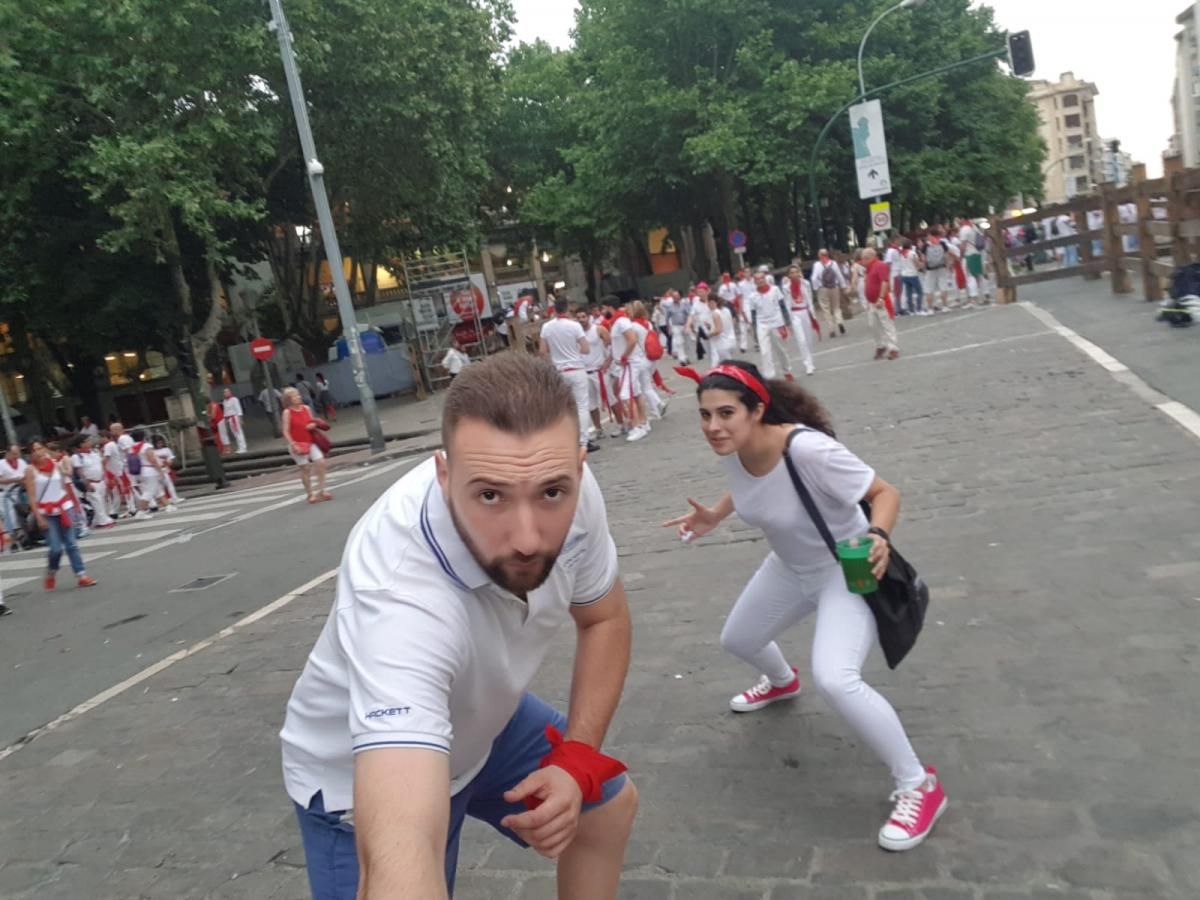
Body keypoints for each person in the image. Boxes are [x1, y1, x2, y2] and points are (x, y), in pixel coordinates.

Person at [280, 352, 637, 900]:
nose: (527, 538)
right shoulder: (398, 588)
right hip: (357, 765)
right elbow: (402, 843)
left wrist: (576, 758)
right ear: (444, 475)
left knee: (605, 805)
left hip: (483, 715)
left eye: (551, 493)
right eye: (490, 495)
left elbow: (605, 618)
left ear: (579, 467)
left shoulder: (567, 486)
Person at [664, 360, 945, 852]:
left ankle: (919, 784)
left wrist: (878, 535)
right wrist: (715, 514)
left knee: (837, 679)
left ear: (757, 409)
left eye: (725, 413)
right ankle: (781, 681)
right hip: (789, 568)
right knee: (739, 638)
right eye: (704, 415)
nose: (713, 426)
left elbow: (885, 492)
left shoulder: (808, 449)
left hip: (844, 570)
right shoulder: (734, 445)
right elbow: (749, 483)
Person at [25, 440, 97, 592]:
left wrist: (74, 505)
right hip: (46, 512)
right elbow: (32, 496)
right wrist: (38, 517)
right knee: (55, 548)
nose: (38, 452)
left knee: (71, 543)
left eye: (40, 448)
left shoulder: (55, 464)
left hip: (64, 507)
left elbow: (64, 486)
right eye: (35, 449)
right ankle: (52, 570)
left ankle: (81, 575)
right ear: (31, 453)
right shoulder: (30, 470)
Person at [540, 296, 600, 454]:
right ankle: (583, 441)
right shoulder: (574, 326)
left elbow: (542, 351)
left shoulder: (546, 327)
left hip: (559, 370)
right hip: (576, 368)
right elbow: (585, 348)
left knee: (565, 407)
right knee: (581, 405)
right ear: (567, 308)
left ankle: (569, 439)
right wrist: (574, 350)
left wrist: (554, 360)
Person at [282, 386, 331, 504]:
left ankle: (322, 489)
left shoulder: (306, 408)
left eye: (298, 395)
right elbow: (285, 430)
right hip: (297, 443)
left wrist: (313, 425)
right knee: (305, 468)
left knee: (320, 462)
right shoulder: (287, 412)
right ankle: (310, 493)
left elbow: (311, 421)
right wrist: (292, 443)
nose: (298, 397)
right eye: (294, 396)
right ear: (289, 400)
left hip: (311, 440)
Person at [611, 300, 650, 442]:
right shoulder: (619, 321)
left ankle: (637, 426)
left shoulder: (621, 321)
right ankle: (644, 422)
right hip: (626, 363)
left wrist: (624, 356)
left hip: (629, 363)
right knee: (637, 392)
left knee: (626, 394)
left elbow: (632, 340)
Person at [748, 268, 794, 381]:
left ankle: (786, 370)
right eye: (757, 279)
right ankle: (769, 377)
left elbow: (782, 306)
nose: (760, 281)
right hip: (762, 325)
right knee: (765, 352)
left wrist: (787, 322)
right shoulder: (752, 296)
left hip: (777, 322)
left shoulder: (775, 290)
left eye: (761, 278)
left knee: (781, 349)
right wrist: (754, 329)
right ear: (754, 282)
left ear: (765, 279)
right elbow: (753, 314)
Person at [576, 305, 609, 440]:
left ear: (589, 317)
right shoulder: (575, 333)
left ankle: (623, 423)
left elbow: (610, 345)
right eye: (578, 318)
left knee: (612, 399)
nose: (581, 320)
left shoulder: (599, 329)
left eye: (583, 317)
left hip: (599, 370)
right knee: (591, 404)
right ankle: (598, 428)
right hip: (584, 371)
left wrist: (608, 362)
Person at [862, 248, 900, 361]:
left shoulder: (880, 265)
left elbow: (884, 281)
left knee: (887, 324)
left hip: (881, 301)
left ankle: (893, 348)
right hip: (872, 302)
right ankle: (881, 345)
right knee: (873, 325)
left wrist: (881, 297)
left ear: (870, 257)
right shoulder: (868, 269)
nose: (862, 261)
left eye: (864, 258)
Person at [780, 264, 817, 376]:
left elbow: (809, 299)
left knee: (808, 338)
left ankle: (810, 358)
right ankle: (807, 364)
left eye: (796, 272)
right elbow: (787, 303)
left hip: (805, 312)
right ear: (789, 275)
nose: (794, 274)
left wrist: (813, 315)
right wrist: (789, 320)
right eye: (791, 273)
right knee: (801, 340)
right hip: (795, 313)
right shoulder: (786, 287)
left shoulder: (805, 284)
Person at [71, 436, 114, 529]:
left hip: (101, 480)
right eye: (87, 441)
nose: (89, 442)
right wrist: (86, 483)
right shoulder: (77, 456)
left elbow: (101, 465)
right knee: (96, 501)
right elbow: (80, 471)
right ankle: (103, 521)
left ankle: (99, 520)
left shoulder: (95, 453)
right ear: (81, 444)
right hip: (91, 482)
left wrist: (106, 478)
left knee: (103, 501)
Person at [810, 250, 848, 337]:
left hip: (823, 288)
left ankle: (831, 329)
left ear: (819, 255)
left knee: (826, 309)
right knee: (836, 307)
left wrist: (816, 288)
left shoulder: (817, 265)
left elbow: (814, 278)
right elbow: (839, 275)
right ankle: (839, 321)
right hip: (834, 287)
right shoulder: (833, 263)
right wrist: (843, 285)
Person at [1, 444, 28, 546]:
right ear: (8, 453)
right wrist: (13, 480)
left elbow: (27, 474)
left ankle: (26, 538)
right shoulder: (1, 464)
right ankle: (14, 542)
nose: (16, 456)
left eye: (18, 453)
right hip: (8, 494)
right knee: (11, 519)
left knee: (24, 516)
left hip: (23, 492)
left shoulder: (21, 462)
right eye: (14, 454)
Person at [152, 434, 183, 505]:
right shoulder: (153, 451)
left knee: (169, 484)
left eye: (161, 442)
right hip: (157, 470)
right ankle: (164, 500)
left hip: (165, 468)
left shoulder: (167, 449)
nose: (160, 444)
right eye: (158, 443)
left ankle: (174, 498)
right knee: (161, 487)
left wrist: (167, 463)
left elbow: (171, 459)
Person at [706, 293, 737, 365]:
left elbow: (718, 330)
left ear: (712, 302)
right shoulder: (726, 310)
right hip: (732, 340)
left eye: (708, 303)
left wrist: (708, 334)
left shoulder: (715, 313)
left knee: (727, 365)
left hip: (722, 343)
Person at [897, 240, 924, 317]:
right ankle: (919, 309)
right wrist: (921, 266)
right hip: (913, 274)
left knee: (908, 293)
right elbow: (917, 264)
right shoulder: (912, 253)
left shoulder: (901, 254)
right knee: (919, 292)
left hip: (904, 275)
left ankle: (911, 309)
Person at [222, 388, 249, 455]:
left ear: (230, 392)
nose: (226, 393)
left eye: (227, 392)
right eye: (224, 392)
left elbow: (238, 409)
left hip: (235, 417)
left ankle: (243, 447)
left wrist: (240, 418)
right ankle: (240, 447)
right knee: (235, 433)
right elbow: (225, 411)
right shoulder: (224, 401)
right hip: (230, 419)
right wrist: (226, 419)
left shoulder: (234, 399)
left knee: (238, 432)